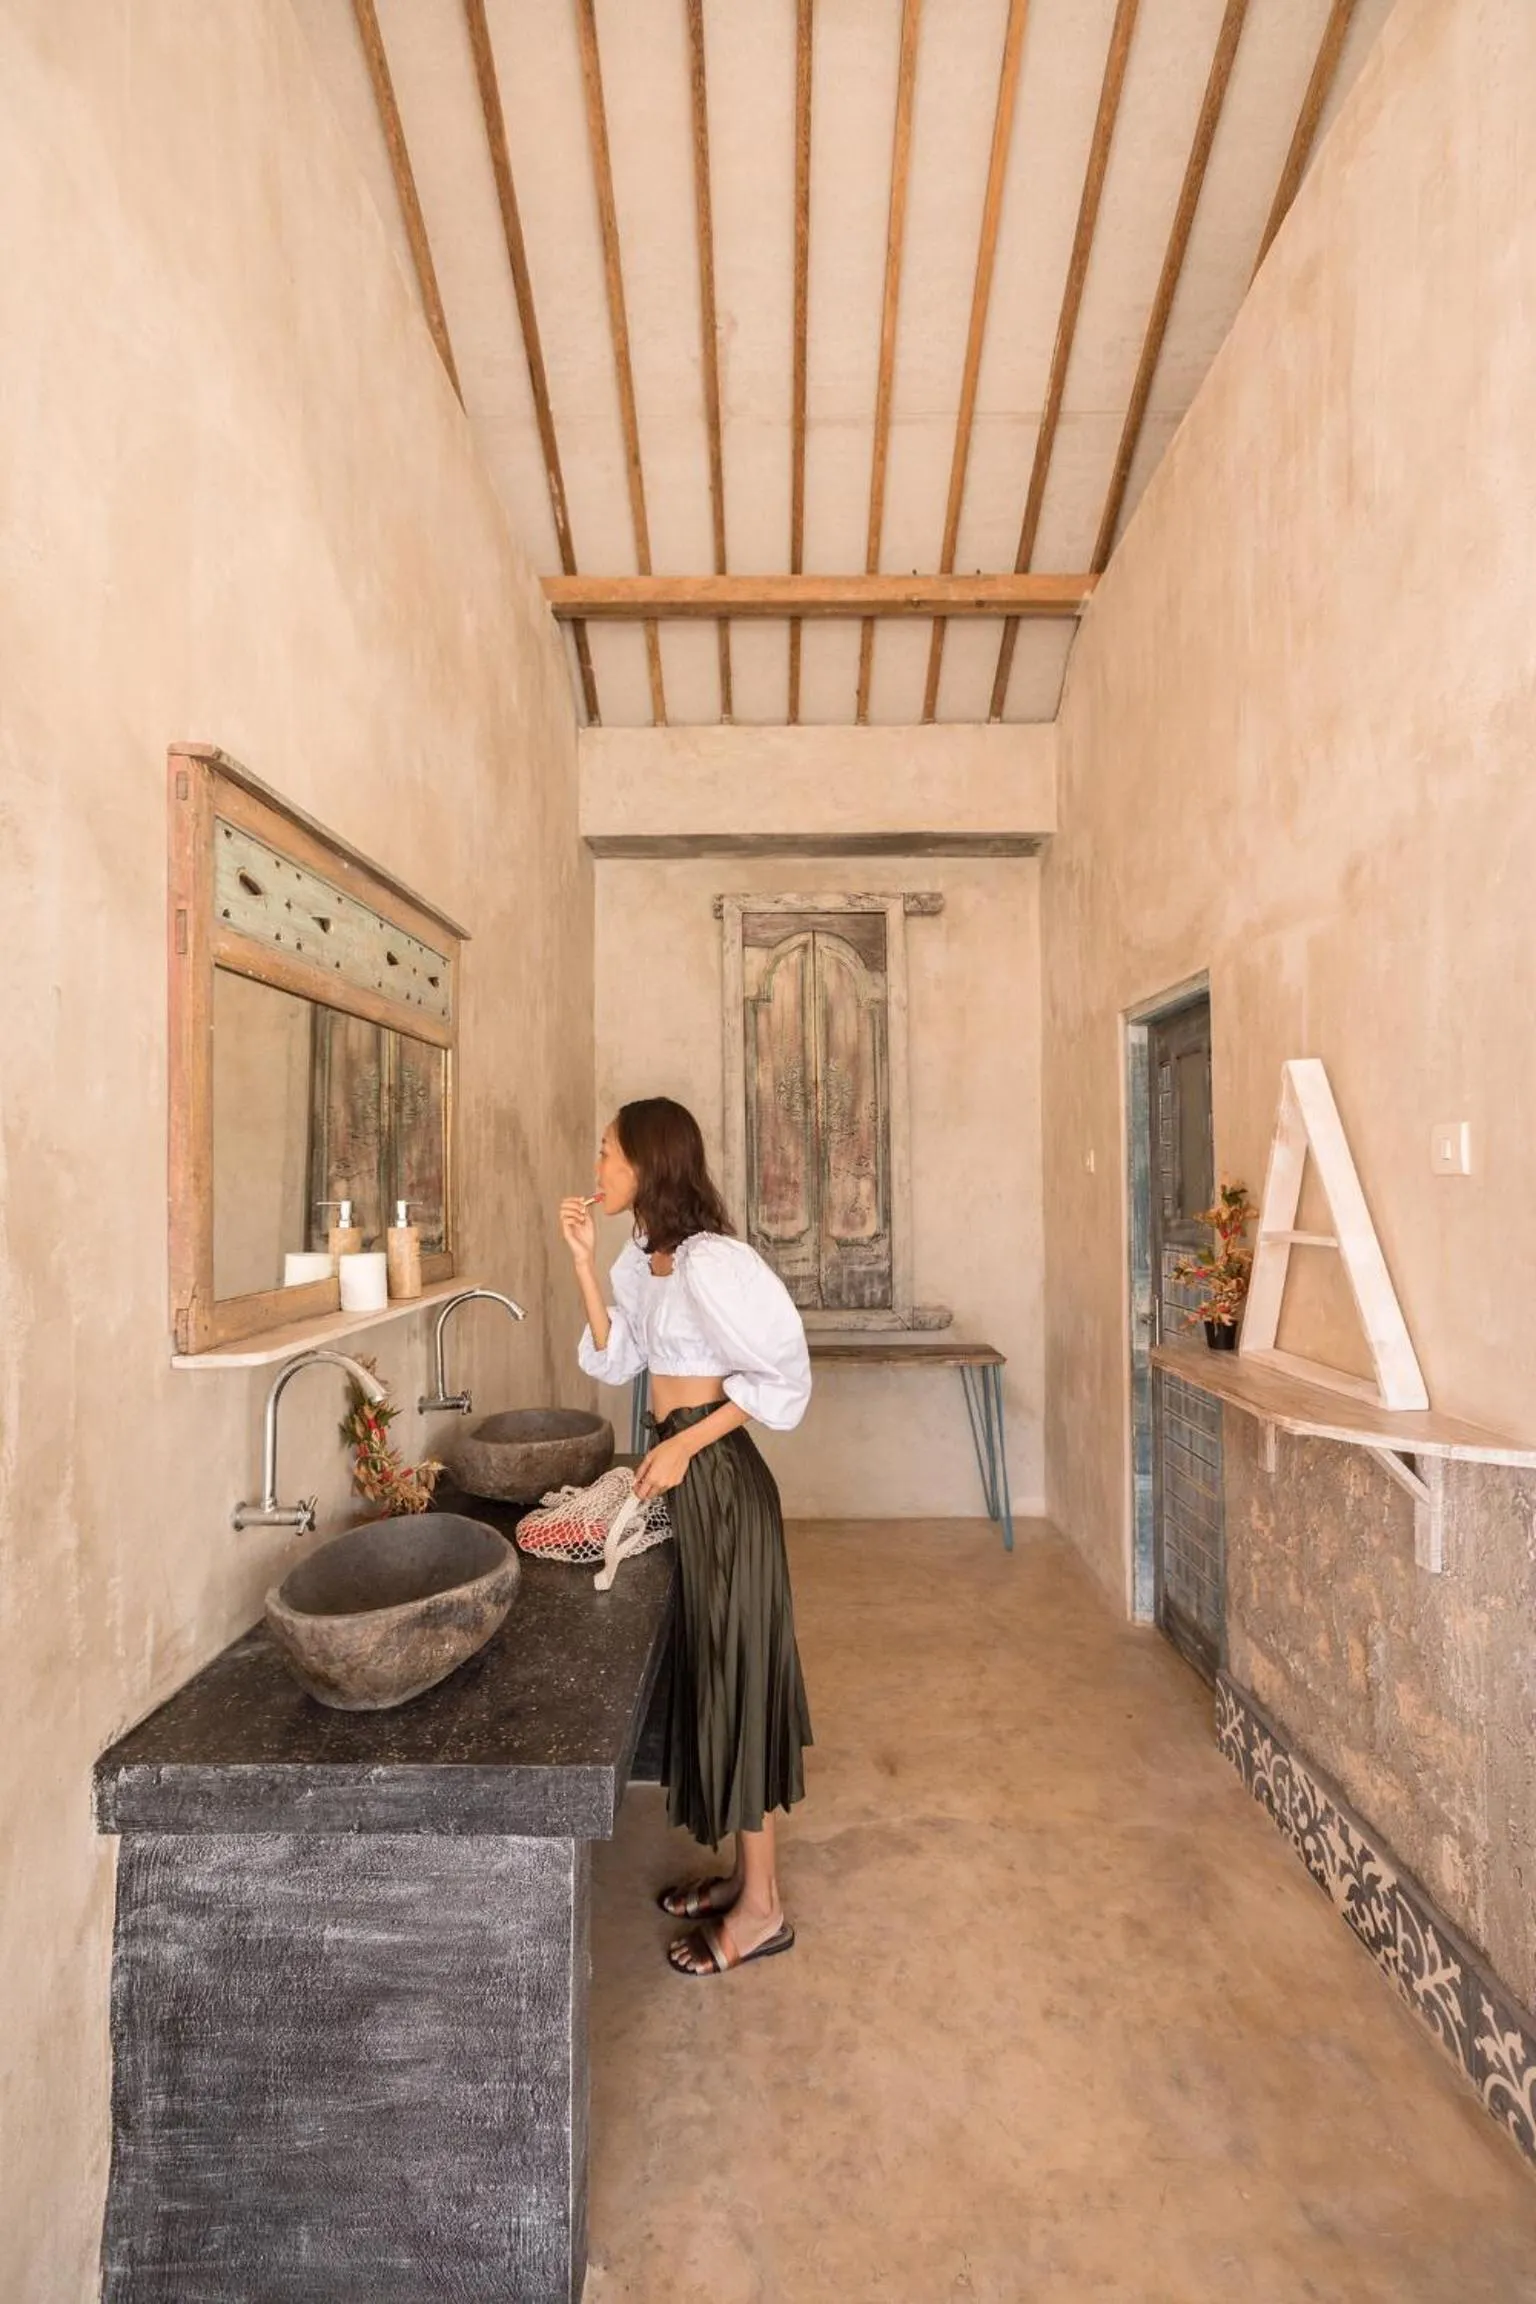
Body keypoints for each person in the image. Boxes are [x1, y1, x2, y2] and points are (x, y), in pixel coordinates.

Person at [558, 1097, 813, 1978]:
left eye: (607, 1154)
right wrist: (587, 1267)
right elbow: (618, 1356)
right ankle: (742, 1879)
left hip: (722, 1483)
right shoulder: (645, 1257)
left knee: (737, 1676)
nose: (597, 1169)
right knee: (709, 1670)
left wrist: (681, 1444)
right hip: (685, 1473)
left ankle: (765, 1909)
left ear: (648, 1165)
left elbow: (782, 1378)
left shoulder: (714, 1260)